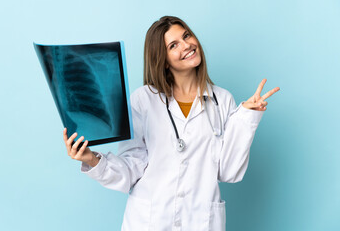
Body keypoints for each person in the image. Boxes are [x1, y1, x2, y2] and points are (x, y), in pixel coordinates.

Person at [63, 16, 280, 231]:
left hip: (200, 222)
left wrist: (246, 116)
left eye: (187, 36)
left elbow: (229, 171)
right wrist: (92, 159)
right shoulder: (143, 99)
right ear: (163, 60)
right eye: (174, 45)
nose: (187, 45)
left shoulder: (222, 100)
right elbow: (132, 168)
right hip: (150, 221)